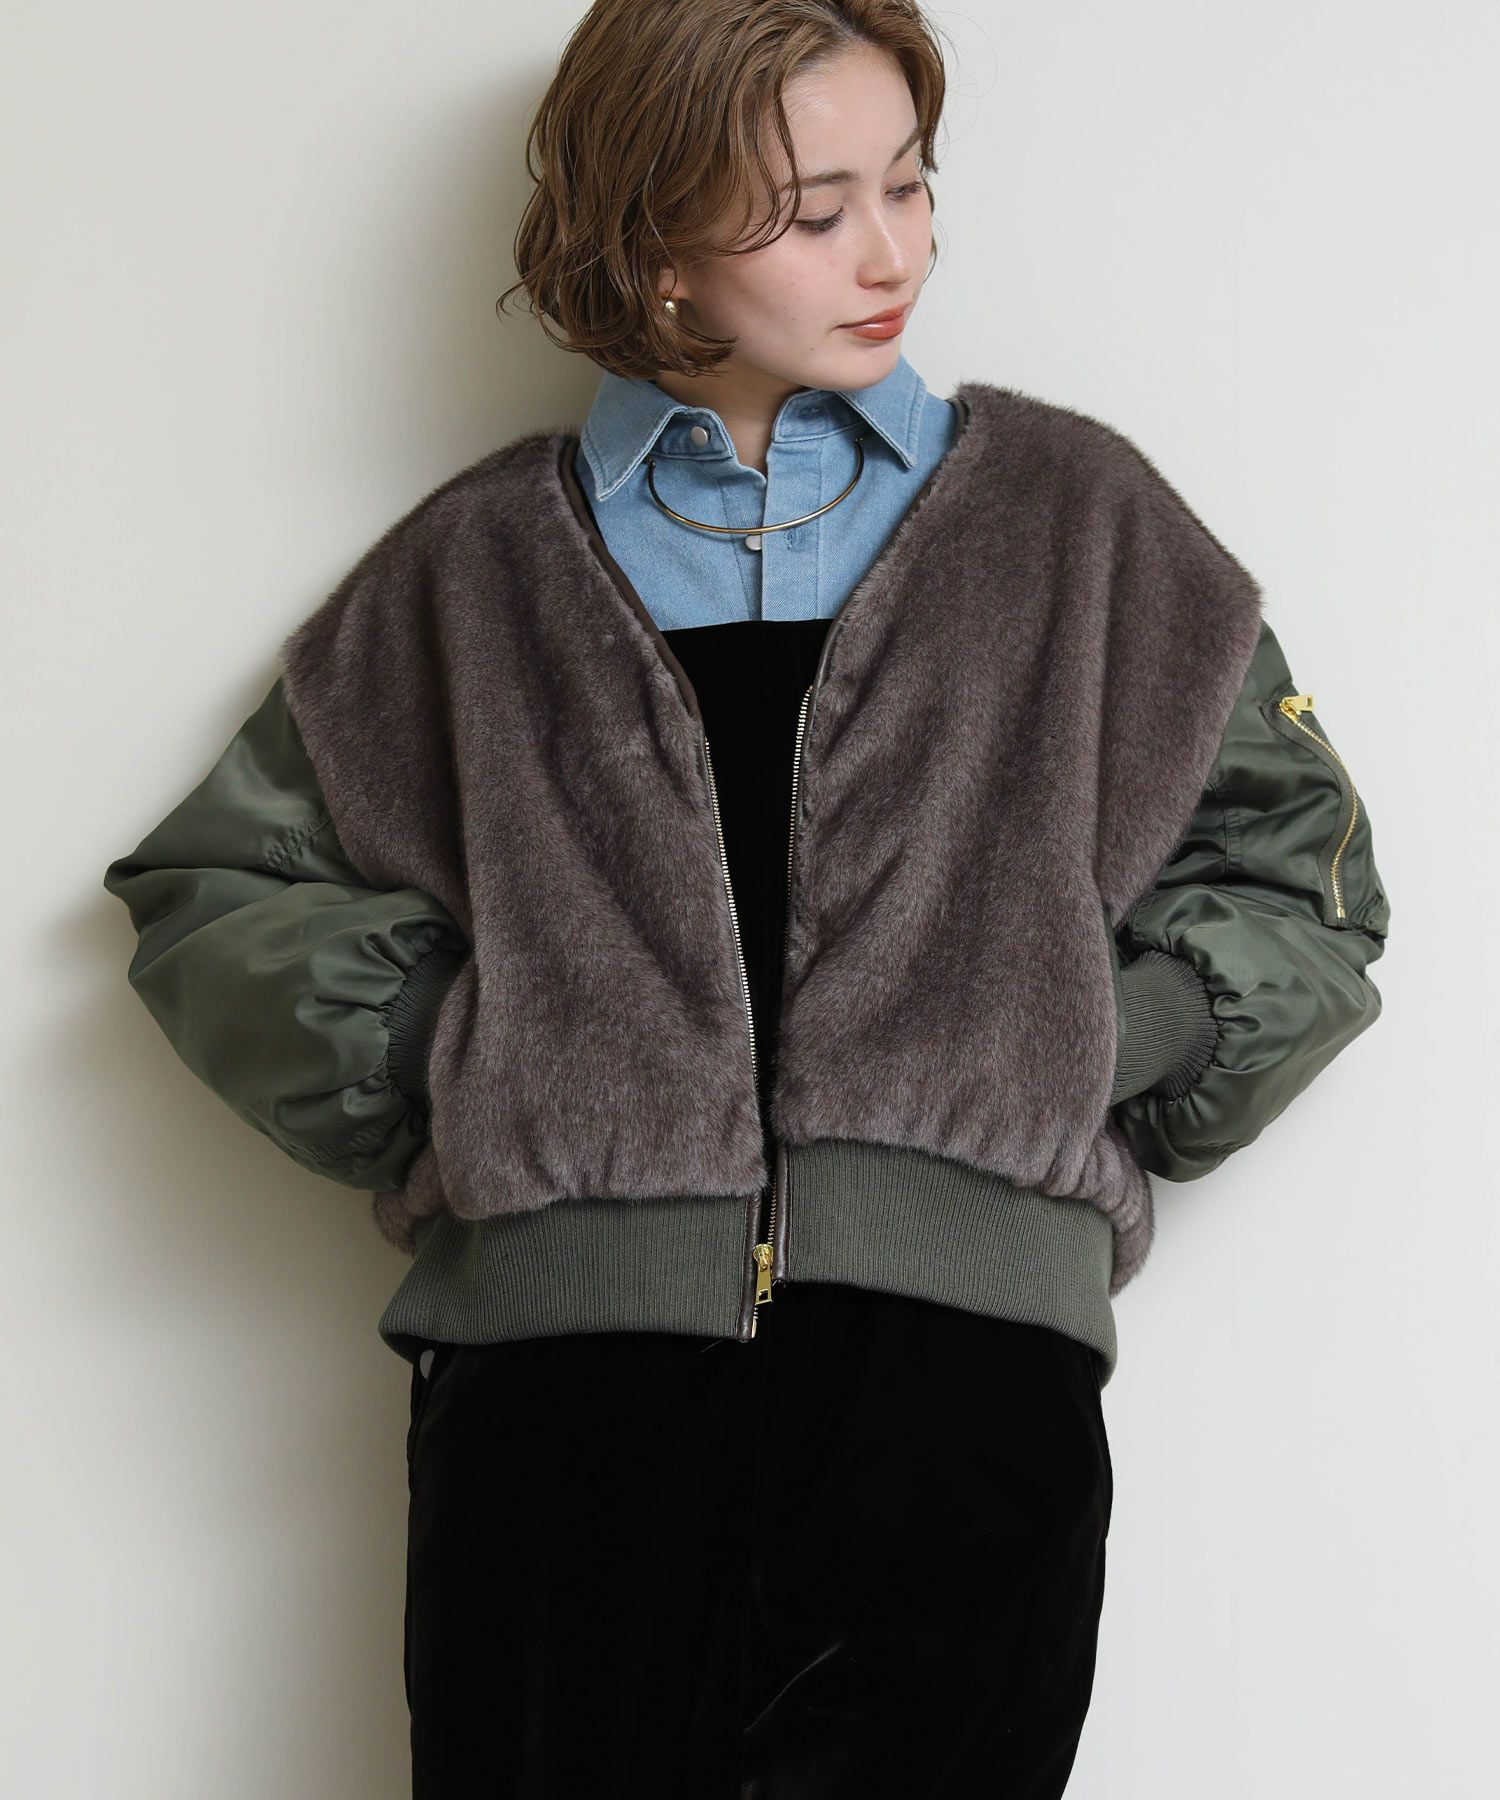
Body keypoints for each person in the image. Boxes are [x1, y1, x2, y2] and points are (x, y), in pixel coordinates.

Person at [100, 3, 1391, 1795]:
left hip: (963, 1414)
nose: (891, 254)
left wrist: (1088, 1034)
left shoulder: (1085, 532)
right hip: (561, 1414)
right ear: (655, 244)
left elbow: (1303, 877)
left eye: (910, 186)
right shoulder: (477, 571)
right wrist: (468, 1051)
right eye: (814, 210)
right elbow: (215, 889)